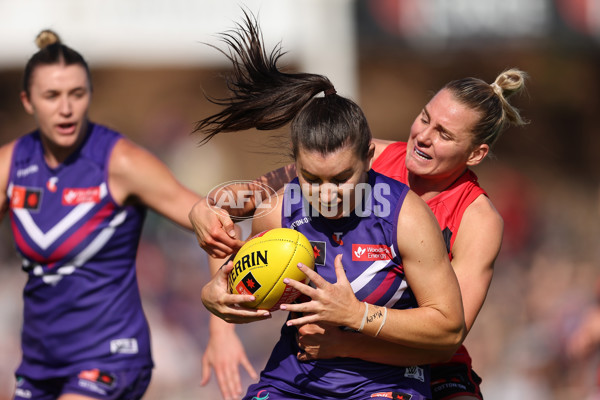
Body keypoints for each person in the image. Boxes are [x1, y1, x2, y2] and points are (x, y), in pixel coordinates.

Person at [191, 58, 527, 400]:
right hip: (321, 349)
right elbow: (257, 193)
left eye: (444, 134)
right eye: (425, 118)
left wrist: (347, 338)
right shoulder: (357, 157)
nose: (423, 137)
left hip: (422, 356)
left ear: (475, 154)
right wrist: (206, 207)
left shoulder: (478, 219)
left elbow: (444, 340)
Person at [0, 30, 201, 399]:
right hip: (40, 362)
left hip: (112, 356)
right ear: (28, 101)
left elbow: (206, 218)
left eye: (76, 94)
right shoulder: (11, 164)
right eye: (52, 96)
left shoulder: (121, 161)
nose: (66, 108)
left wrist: (222, 334)